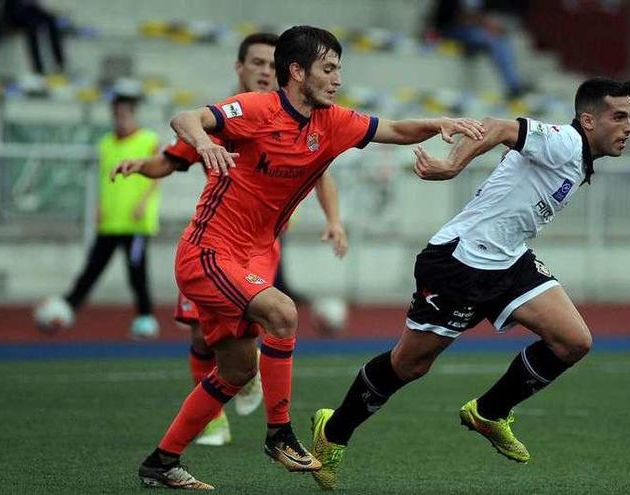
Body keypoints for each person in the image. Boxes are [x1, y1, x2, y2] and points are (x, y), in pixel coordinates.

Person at [134, 25, 485, 490]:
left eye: (339, 68)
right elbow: (185, 118)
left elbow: (395, 129)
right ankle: (280, 434)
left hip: (251, 257)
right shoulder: (258, 109)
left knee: (238, 370)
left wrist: (440, 124)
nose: (337, 78)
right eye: (328, 68)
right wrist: (203, 143)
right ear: (296, 72)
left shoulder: (334, 121)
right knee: (283, 313)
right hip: (207, 252)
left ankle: (160, 462)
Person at [309, 77, 630, 491]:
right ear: (588, 120)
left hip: (509, 260)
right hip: (459, 262)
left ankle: (490, 412)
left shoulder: (580, 157)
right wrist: (451, 166)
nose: (628, 127)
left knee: (573, 341)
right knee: (410, 364)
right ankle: (332, 433)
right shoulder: (566, 142)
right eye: (619, 117)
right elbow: (498, 127)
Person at [112, 32, 347, 449]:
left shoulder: (298, 116)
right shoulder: (221, 117)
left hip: (262, 245)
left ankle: (252, 388)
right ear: (239, 68)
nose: (263, 70)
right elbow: (171, 159)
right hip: (217, 241)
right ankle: (217, 417)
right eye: (255, 62)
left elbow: (323, 169)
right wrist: (140, 166)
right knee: (202, 335)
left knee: (263, 322)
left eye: (269, 62)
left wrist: (334, 220)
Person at [35, 94, 161, 339]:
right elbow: (104, 179)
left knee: (137, 271)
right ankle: (68, 307)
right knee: (92, 267)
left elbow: (156, 174)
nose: (121, 120)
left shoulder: (148, 140)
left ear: (134, 115)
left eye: (125, 114)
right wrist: (99, 206)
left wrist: (144, 202)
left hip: (136, 223)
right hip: (111, 220)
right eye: (117, 115)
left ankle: (146, 318)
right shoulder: (106, 144)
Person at [429, 0, 528, 99]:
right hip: (452, 31)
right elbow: (449, 18)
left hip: (476, 31)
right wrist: (482, 22)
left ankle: (514, 85)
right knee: (489, 38)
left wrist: (490, 25)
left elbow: (486, 17)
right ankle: (513, 85)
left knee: (501, 40)